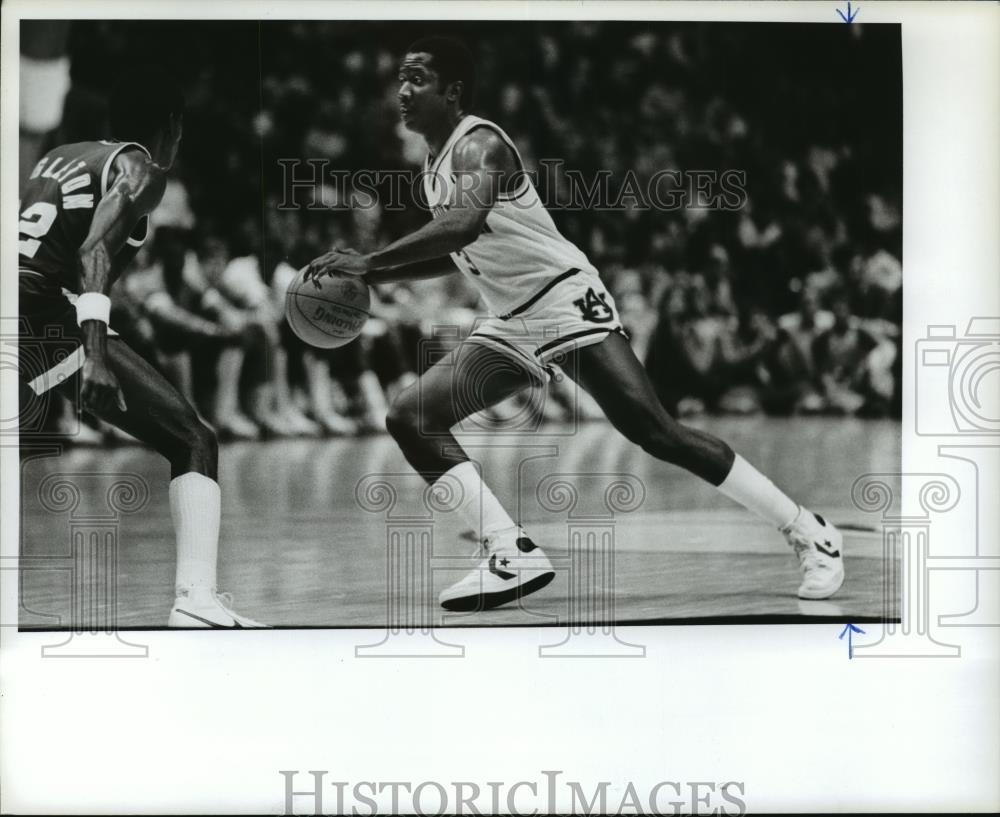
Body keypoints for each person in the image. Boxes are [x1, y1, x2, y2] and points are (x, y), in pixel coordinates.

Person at [306, 37, 844, 610]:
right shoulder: (435, 165)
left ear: (453, 91)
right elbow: (466, 248)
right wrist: (370, 280)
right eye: (401, 78)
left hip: (562, 299)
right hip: (512, 319)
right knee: (412, 416)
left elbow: (462, 226)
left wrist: (370, 261)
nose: (404, 90)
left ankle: (809, 531)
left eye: (417, 77)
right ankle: (511, 553)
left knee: (654, 430)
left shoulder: (481, 144)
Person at [17, 67, 264, 627]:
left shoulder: (59, 154)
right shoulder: (144, 170)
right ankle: (196, 602)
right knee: (192, 437)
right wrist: (95, 355)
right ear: (172, 125)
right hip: (44, 312)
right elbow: (91, 254)